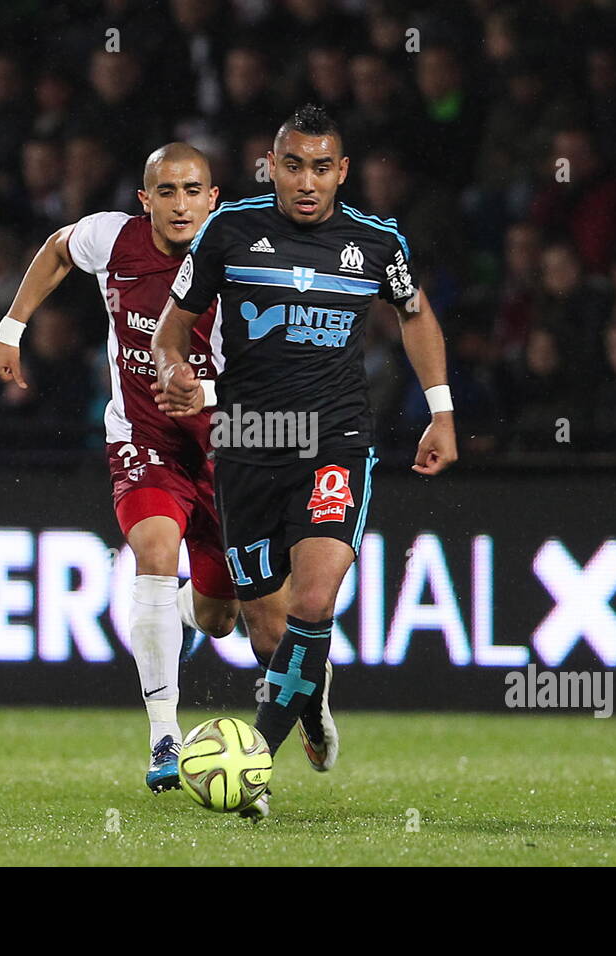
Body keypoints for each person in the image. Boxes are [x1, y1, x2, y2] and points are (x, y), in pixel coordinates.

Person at [152, 105, 457, 817]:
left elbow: (414, 315)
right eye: (294, 166)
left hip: (335, 443)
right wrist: (174, 372)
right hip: (248, 446)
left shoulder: (378, 242)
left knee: (316, 600)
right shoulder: (228, 232)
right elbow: (174, 331)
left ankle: (252, 757)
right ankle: (309, 699)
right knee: (267, 626)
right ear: (272, 168)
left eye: (322, 167)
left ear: (342, 172)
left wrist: (440, 409)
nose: (308, 181)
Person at [0, 143, 239, 793]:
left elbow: (272, 377)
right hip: (142, 440)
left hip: (223, 451)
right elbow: (59, 248)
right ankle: (164, 738)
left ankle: (181, 614)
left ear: (214, 200)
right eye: (167, 192)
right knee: (155, 551)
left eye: (193, 191)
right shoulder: (112, 240)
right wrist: (12, 328)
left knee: (219, 616)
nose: (180, 204)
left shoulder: (243, 260)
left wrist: (206, 394)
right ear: (145, 201)